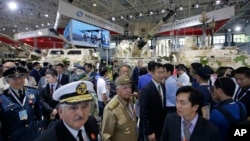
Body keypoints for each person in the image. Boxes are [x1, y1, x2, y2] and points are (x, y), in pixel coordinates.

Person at [34, 81, 99, 141]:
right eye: (73, 108)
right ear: (61, 112)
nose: (81, 114)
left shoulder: (91, 122)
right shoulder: (48, 138)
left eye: (85, 106)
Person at [0, 67, 43, 141]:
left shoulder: (33, 92)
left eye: (21, 77)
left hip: (33, 134)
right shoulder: (2, 98)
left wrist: (39, 126)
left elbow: (39, 112)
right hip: (13, 136)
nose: (18, 81)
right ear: (7, 81)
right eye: (14, 79)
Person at [209, 77, 247, 141]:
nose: (214, 91)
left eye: (214, 88)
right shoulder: (241, 106)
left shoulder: (216, 112)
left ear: (220, 90)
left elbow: (211, 135)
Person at [101, 75, 137, 141]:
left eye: (129, 87)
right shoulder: (111, 109)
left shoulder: (130, 100)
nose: (129, 90)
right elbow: (106, 136)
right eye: (125, 88)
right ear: (117, 90)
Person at [139, 62, 166, 141]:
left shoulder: (163, 86)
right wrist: (149, 132)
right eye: (159, 72)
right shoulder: (146, 89)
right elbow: (144, 112)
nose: (161, 75)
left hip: (161, 127)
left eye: (163, 72)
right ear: (152, 73)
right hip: (152, 128)